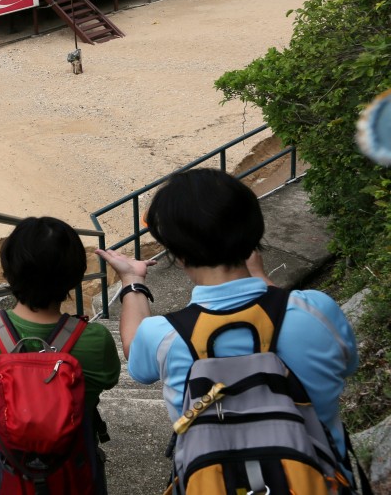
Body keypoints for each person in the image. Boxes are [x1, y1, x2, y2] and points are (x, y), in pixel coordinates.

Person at [96, 169, 359, 482]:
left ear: (178, 253)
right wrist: (260, 277)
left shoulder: (163, 336)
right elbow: (347, 366)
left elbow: (136, 351)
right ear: (254, 232)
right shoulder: (316, 311)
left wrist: (132, 280)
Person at [0, 216, 120, 491]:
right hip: (72, 479)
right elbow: (109, 379)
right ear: (75, 276)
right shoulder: (96, 341)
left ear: (8, 271)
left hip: (4, 479)